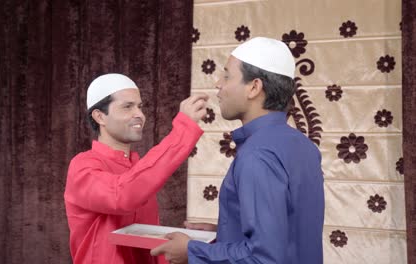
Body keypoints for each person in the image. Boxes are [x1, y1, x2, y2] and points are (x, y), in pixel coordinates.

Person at [150, 37, 325, 263]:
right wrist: (225, 232)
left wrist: (192, 252)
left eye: (227, 76)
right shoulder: (303, 145)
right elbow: (287, 233)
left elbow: (264, 258)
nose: (218, 84)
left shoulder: (258, 155)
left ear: (254, 87)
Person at [64, 73, 208, 264]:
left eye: (139, 106)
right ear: (100, 116)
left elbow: (146, 243)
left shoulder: (138, 168)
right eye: (127, 107)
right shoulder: (82, 166)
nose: (139, 114)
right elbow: (121, 196)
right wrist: (184, 129)